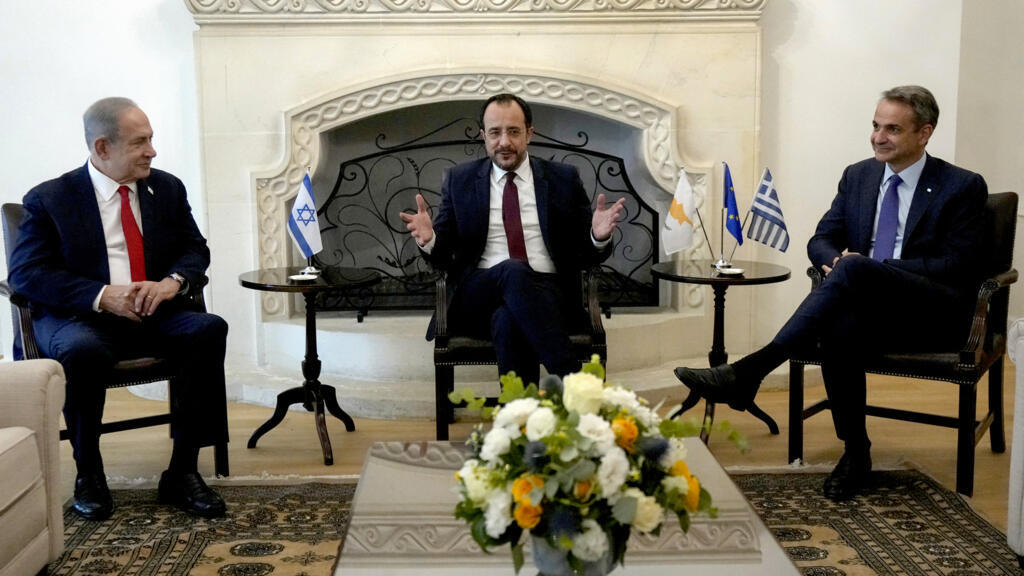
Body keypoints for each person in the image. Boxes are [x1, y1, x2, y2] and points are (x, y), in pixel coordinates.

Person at [673, 86, 988, 501]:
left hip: (930, 313)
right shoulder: (858, 176)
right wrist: (840, 263)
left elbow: (960, 266)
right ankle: (856, 451)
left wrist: (874, 268)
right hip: (865, 309)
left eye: (892, 129)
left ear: (924, 133)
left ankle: (749, 372)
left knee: (855, 270)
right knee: (839, 323)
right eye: (875, 126)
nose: (878, 137)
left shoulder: (961, 186)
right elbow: (821, 239)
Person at [8, 97, 229, 521]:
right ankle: (89, 473)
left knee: (208, 329)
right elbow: (27, 274)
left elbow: (194, 249)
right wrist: (101, 294)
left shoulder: (166, 188)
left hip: (152, 312)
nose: (152, 151)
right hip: (81, 318)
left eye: (151, 140)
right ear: (103, 147)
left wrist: (172, 282)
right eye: (139, 142)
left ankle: (183, 471)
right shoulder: (50, 199)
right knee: (83, 351)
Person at [400, 93, 625, 385]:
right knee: (513, 269)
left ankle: (521, 410)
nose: (504, 142)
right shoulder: (461, 180)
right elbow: (443, 257)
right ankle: (575, 382)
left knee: (509, 321)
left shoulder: (563, 178)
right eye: (495, 132)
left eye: (514, 132)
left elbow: (586, 253)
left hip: (549, 294)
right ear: (483, 136)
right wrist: (429, 240)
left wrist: (597, 236)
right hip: (479, 294)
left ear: (529, 133)